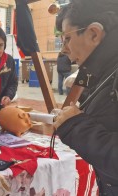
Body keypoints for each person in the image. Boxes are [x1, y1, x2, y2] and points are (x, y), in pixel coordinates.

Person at [53, 0, 118, 194]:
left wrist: (76, 126)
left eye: (67, 39)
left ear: (93, 34)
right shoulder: (105, 70)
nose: (64, 49)